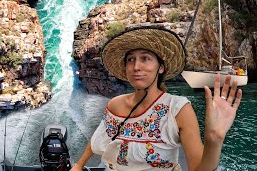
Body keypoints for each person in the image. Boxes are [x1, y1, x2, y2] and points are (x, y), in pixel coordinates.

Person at [71, 26, 242, 171]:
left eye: (145, 58)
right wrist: (78, 165)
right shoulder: (115, 105)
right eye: (131, 60)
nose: (136, 67)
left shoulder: (178, 109)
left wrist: (214, 139)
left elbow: (198, 168)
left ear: (160, 68)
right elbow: (98, 138)